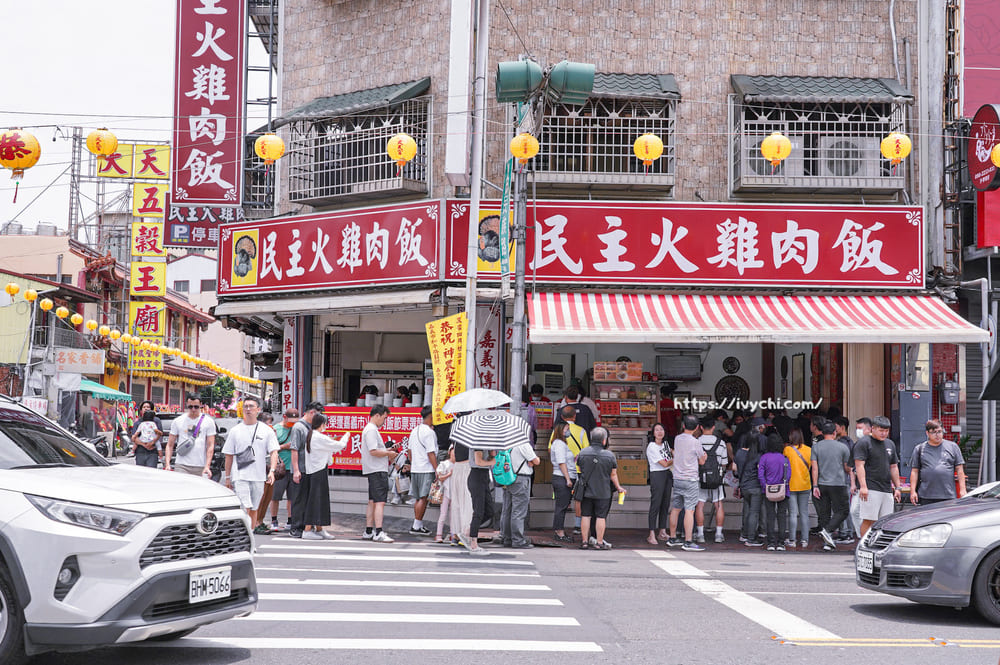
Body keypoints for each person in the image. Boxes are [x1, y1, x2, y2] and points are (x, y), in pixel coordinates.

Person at [222, 395, 279, 529]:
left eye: (251, 406)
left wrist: (272, 471)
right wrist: (228, 477)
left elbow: (274, 452)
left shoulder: (266, 430)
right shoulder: (235, 431)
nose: (248, 409)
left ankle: (251, 538)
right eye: (245, 406)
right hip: (240, 476)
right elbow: (228, 455)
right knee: (244, 507)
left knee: (254, 509)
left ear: (258, 409)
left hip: (258, 476)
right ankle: (243, 537)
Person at [576, 427, 625, 550]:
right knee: (600, 517)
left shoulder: (583, 453)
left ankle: (584, 541)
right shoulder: (609, 455)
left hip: (586, 490)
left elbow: (581, 470)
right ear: (604, 440)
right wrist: (619, 487)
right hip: (603, 491)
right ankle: (599, 542)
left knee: (585, 515)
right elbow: (613, 475)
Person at [299, 412, 345, 540]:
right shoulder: (318, 436)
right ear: (322, 424)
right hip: (317, 472)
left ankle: (319, 528)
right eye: (325, 424)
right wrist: (347, 435)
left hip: (317, 471)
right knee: (315, 501)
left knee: (320, 501)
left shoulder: (313, 435)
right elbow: (339, 446)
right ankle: (307, 530)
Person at [854, 415, 902, 539]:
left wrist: (898, 487)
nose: (884, 433)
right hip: (870, 487)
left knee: (885, 521)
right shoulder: (864, 442)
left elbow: (894, 467)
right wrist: (863, 486)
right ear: (873, 429)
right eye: (881, 430)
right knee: (869, 519)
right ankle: (863, 545)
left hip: (886, 488)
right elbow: (859, 466)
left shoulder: (890, 444)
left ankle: (879, 544)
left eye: (886, 431)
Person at [666, 415, 707, 551]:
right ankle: (688, 541)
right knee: (689, 510)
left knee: (676, 508)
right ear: (697, 428)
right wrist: (704, 456)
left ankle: (672, 538)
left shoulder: (677, 439)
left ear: (683, 425)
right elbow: (701, 461)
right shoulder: (695, 442)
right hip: (690, 480)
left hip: (677, 478)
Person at [811, 421, 853, 551]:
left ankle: (827, 541)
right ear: (834, 433)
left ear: (822, 434)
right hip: (838, 484)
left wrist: (815, 486)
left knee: (824, 513)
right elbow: (848, 467)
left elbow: (814, 468)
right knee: (843, 510)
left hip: (822, 484)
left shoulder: (816, 447)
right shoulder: (842, 447)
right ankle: (828, 531)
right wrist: (851, 479)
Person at [360, 404, 399, 543]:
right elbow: (373, 451)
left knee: (372, 501)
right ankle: (379, 532)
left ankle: (369, 531)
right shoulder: (371, 430)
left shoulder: (370, 429)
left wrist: (387, 450)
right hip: (377, 470)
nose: (384, 421)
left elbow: (375, 450)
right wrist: (389, 453)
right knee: (379, 502)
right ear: (377, 415)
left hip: (373, 469)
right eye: (384, 418)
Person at [287, 401, 325, 538]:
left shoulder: (311, 427)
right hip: (301, 469)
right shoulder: (298, 427)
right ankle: (296, 528)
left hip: (310, 469)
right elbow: (294, 449)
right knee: (299, 499)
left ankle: (305, 527)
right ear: (312, 413)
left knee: (308, 499)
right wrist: (296, 470)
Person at [910, 419, 966, 505]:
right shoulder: (920, 449)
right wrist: (913, 491)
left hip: (948, 495)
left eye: (939, 431)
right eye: (933, 432)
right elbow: (914, 471)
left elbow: (960, 470)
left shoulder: (953, 447)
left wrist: (963, 490)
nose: (937, 435)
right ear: (927, 433)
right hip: (926, 496)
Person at [499, 437, 540, 548]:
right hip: (521, 478)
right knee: (518, 511)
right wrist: (531, 461)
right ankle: (517, 540)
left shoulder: (505, 443)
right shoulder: (523, 444)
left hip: (507, 478)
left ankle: (506, 538)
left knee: (507, 510)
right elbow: (536, 461)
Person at [695, 415, 729, 544]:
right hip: (716, 478)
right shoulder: (721, 443)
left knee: (700, 505)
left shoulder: (696, 442)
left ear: (701, 427)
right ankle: (719, 534)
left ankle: (700, 534)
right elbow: (724, 463)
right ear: (714, 427)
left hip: (700, 478)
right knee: (719, 505)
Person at [165, 393, 216, 478]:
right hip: (182, 465)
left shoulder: (208, 422)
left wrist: (207, 466)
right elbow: (170, 445)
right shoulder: (178, 421)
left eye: (196, 407)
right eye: (190, 407)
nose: (193, 409)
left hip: (200, 466)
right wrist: (167, 464)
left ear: (201, 405)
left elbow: (210, 446)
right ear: (186, 405)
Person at [407, 405, 439, 536]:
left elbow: (409, 451)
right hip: (426, 469)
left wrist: (413, 463)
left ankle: (418, 524)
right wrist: (437, 469)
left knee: (418, 498)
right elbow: (431, 453)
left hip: (416, 468)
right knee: (423, 498)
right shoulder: (430, 433)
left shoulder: (415, 430)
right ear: (431, 416)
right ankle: (416, 525)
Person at [735, 419, 766, 547]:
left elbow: (734, 469)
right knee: (754, 512)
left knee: (747, 511)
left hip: (744, 486)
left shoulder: (739, 453)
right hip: (755, 487)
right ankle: (751, 538)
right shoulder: (758, 456)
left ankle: (744, 534)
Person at [758, 432, 791, 551]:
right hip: (783, 490)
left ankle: (771, 542)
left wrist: (765, 485)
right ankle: (781, 542)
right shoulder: (784, 458)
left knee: (770, 515)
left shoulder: (764, 457)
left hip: (768, 490)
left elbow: (760, 475)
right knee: (782, 515)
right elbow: (789, 474)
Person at [269, 408, 299, 532]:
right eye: (290, 422)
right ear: (284, 417)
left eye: (294, 422)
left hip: (292, 468)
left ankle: (291, 520)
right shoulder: (276, 429)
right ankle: (274, 520)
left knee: (292, 497)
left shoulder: (296, 429)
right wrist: (283, 446)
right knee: (275, 497)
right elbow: (271, 448)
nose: (291, 424)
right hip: (279, 469)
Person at [783, 428, 812, 549]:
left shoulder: (787, 450)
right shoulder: (809, 450)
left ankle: (792, 540)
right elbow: (810, 467)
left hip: (791, 485)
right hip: (805, 484)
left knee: (793, 513)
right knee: (804, 513)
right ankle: (805, 540)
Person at [646, 422, 673, 545]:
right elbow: (665, 463)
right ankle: (651, 533)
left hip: (667, 474)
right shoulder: (651, 446)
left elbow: (669, 457)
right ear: (653, 433)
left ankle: (662, 531)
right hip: (657, 475)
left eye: (661, 429)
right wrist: (677, 457)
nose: (659, 432)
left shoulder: (665, 444)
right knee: (655, 504)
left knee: (665, 503)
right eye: (656, 430)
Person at [550, 423, 577, 543]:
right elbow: (561, 462)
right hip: (562, 478)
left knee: (562, 506)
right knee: (562, 506)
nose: (568, 431)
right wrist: (568, 479)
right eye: (567, 429)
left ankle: (559, 531)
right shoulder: (560, 444)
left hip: (561, 477)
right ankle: (559, 532)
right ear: (561, 430)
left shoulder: (559, 443)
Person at [462, 447, 493, 555]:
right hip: (477, 476)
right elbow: (479, 462)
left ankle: (468, 531)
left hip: (484, 476)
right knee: (478, 511)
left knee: (489, 510)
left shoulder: (486, 443)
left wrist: (492, 453)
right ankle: (473, 544)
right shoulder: (478, 442)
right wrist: (493, 461)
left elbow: (489, 457)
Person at [434, 447, 455, 544]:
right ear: (449, 452)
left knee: (453, 516)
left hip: (455, 492)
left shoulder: (459, 465)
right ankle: (439, 535)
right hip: (445, 491)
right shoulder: (444, 464)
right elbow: (439, 477)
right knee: (443, 514)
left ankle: (453, 535)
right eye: (453, 453)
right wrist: (449, 474)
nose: (454, 455)